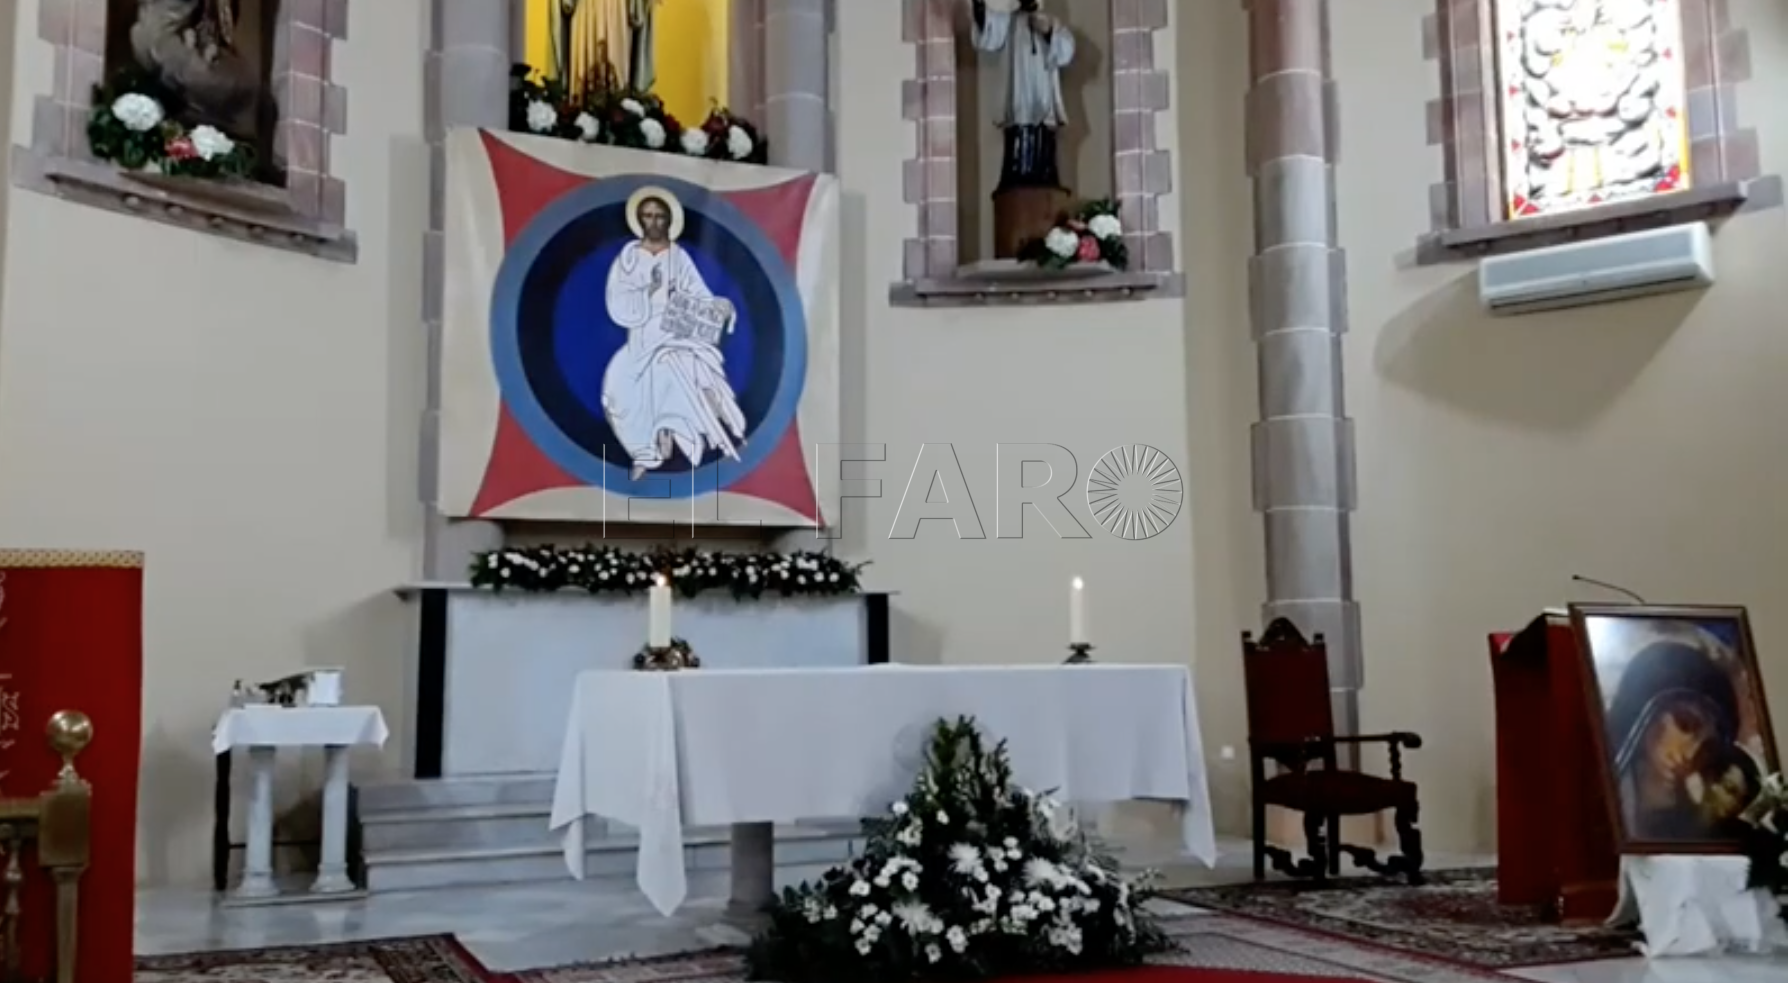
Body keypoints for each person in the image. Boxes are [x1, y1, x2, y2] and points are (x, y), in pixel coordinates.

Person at [602, 190, 747, 481]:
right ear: (639, 220)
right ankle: (646, 451)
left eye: (659, 216)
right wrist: (648, 292)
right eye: (648, 216)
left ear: (669, 220)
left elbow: (698, 294)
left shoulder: (678, 257)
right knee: (616, 391)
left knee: (685, 368)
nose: (654, 222)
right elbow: (617, 301)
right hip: (641, 337)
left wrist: (718, 305)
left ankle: (727, 432)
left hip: (676, 332)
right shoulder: (628, 258)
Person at [1605, 636, 1762, 841]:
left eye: (1708, 747)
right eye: (1685, 724)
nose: (1691, 754)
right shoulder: (1588, 775)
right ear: (1645, 707)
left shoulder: (1685, 822)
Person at [969, 0, 1076, 190]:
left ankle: (1045, 176)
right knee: (1018, 132)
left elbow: (1066, 51)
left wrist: (1048, 31)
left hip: (1042, 91)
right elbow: (989, 32)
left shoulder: (1051, 21)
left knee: (1043, 138)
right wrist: (979, 9)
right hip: (1018, 93)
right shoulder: (1009, 22)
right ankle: (1016, 176)